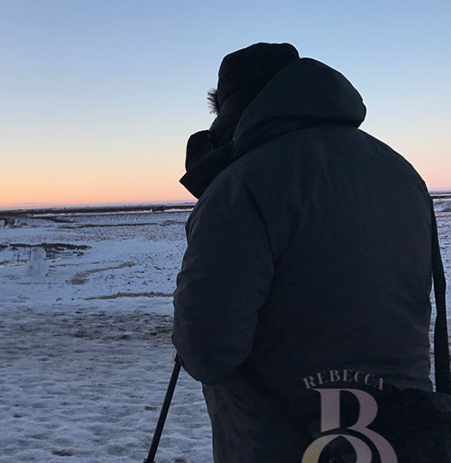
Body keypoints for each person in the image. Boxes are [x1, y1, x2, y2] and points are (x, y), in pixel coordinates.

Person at [173, 43, 437, 462]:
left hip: (285, 441)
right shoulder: (401, 172)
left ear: (226, 111)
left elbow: (208, 350)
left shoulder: (243, 185)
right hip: (405, 435)